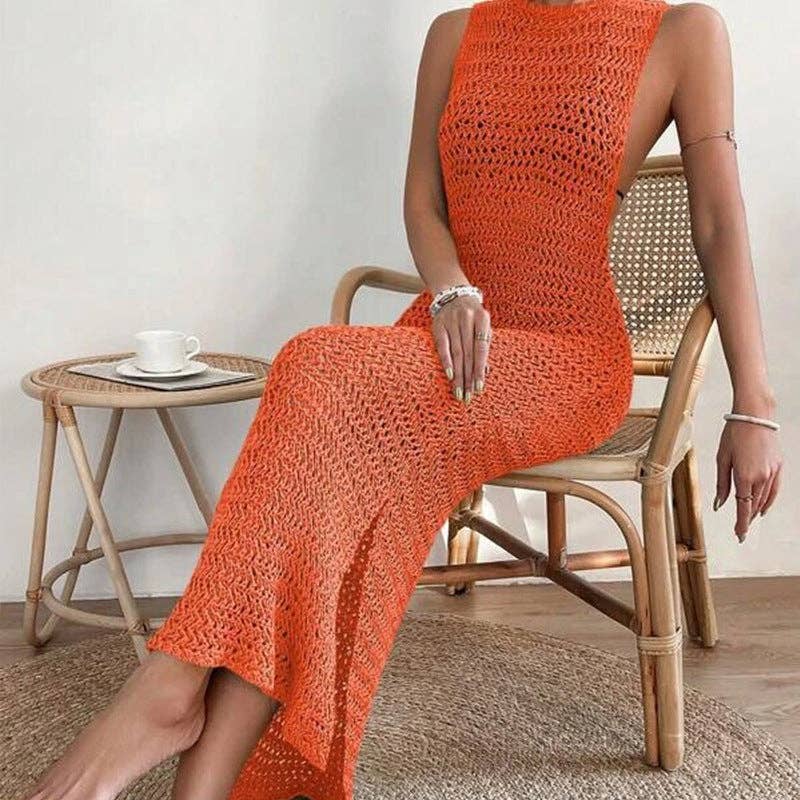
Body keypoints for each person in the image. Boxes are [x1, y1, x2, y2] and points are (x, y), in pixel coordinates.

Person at [21, 1, 782, 798]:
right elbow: (424, 203)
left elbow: (719, 223)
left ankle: (169, 689)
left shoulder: (681, 32)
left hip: (567, 358)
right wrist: (451, 288)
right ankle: (202, 777)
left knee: (316, 366)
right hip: (448, 339)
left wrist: (754, 404)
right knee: (324, 463)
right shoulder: (456, 33)